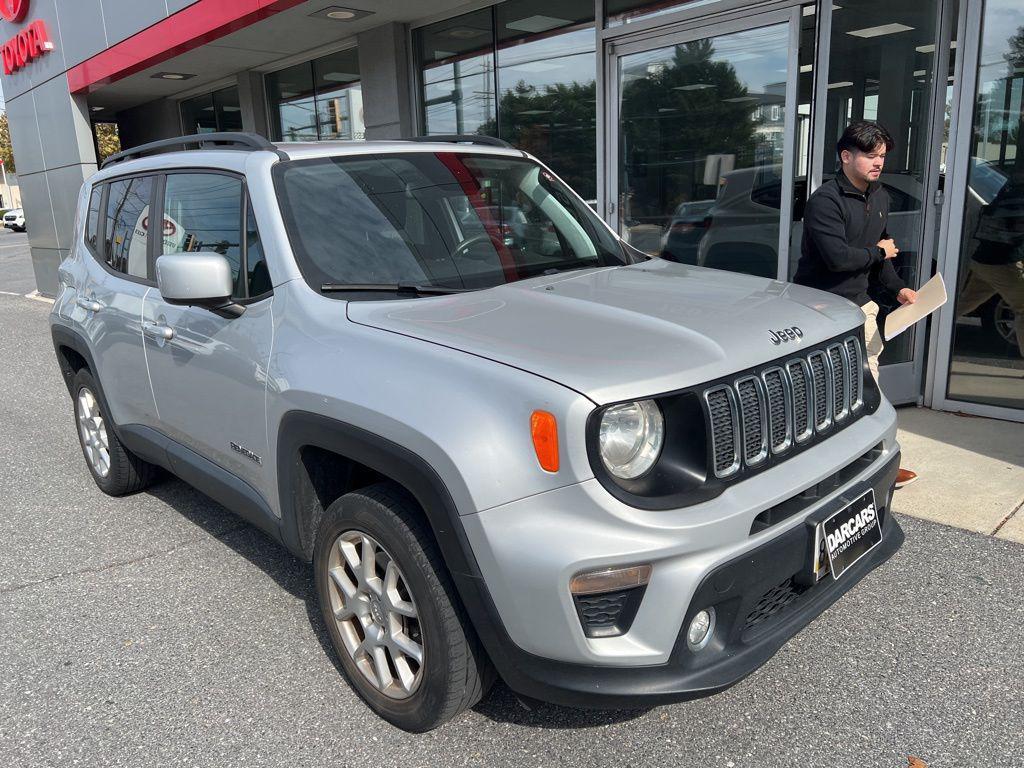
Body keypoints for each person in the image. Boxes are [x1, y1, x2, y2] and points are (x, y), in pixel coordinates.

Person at [794, 121, 919, 488]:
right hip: (818, 308)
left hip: (860, 306)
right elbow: (838, 258)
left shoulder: (880, 197)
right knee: (822, 392)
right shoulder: (825, 201)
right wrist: (878, 252)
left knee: (869, 386)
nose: (878, 162)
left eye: (882, 156)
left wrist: (898, 289)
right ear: (846, 156)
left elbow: (880, 256)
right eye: (870, 155)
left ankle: (877, 461)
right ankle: (814, 471)